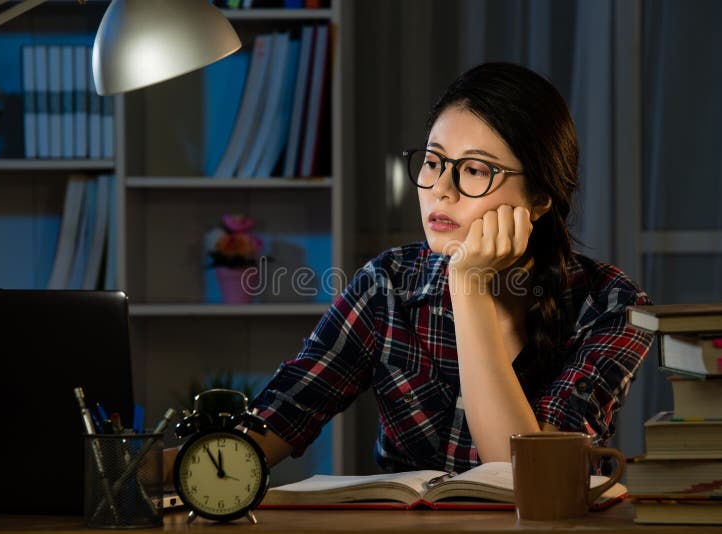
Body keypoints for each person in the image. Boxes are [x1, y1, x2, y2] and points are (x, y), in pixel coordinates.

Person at [171, 62, 654, 476]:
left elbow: (528, 480)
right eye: (432, 161)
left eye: (474, 169)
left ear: (541, 198)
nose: (441, 189)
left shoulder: (612, 304)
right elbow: (272, 425)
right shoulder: (387, 284)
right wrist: (124, 470)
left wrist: (469, 289)